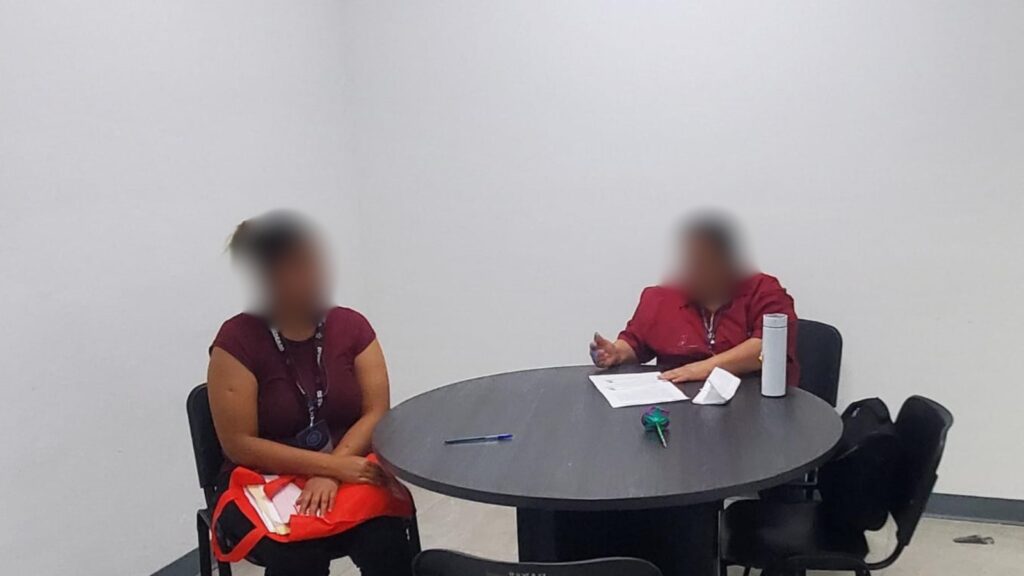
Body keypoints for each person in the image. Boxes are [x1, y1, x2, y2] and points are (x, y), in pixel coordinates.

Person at [207, 210, 412, 576]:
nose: (316, 275)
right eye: (299, 266)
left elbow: (376, 411)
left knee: (386, 537)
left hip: (348, 466)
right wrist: (328, 467)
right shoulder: (236, 341)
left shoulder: (352, 327)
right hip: (264, 480)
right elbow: (239, 444)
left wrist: (334, 472)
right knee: (299, 556)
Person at [590, 213, 799, 385]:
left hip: (754, 404)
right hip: (682, 407)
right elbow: (635, 343)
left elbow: (770, 346)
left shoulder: (764, 291)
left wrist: (702, 369)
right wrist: (616, 353)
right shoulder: (660, 298)